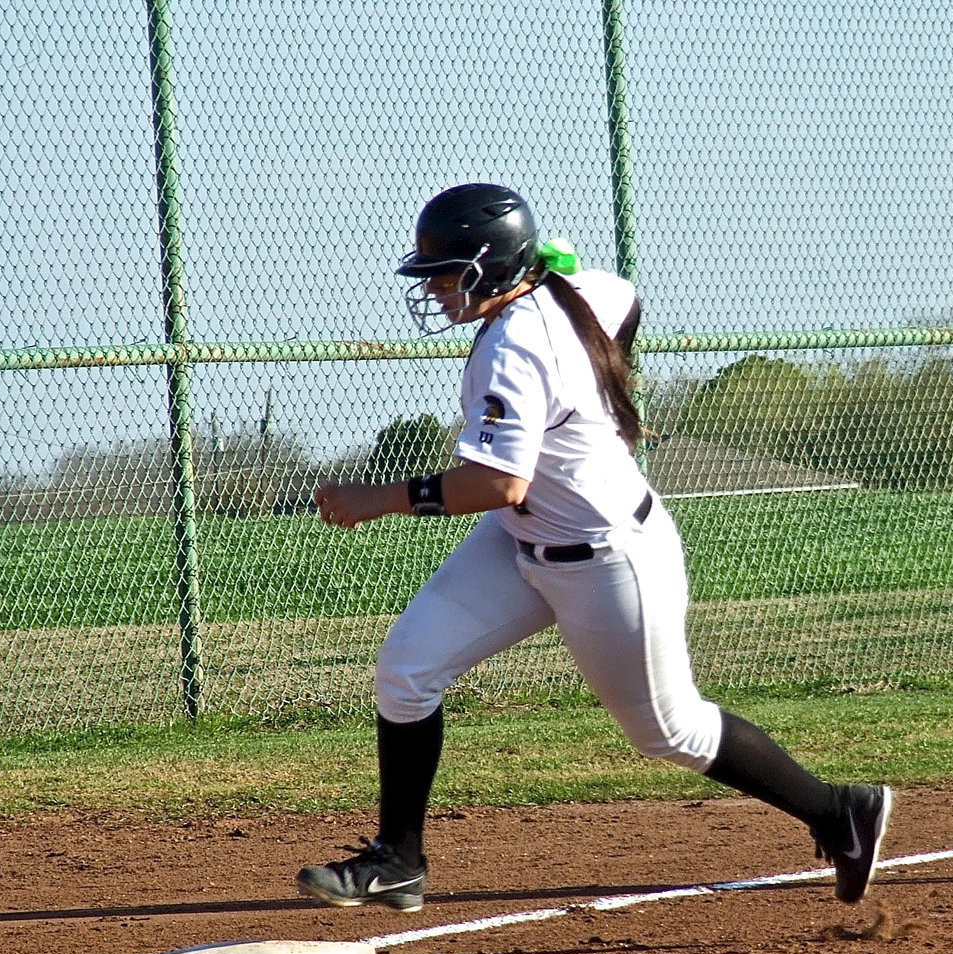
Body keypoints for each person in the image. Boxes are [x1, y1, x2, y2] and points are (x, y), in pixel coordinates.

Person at [297, 182, 892, 914]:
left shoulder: (514, 347)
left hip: (607, 557)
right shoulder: (573, 289)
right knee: (407, 668)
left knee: (670, 731)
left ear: (498, 267)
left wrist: (376, 499)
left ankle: (839, 812)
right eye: (433, 275)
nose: (439, 289)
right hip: (525, 542)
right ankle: (398, 861)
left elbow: (499, 483)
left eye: (452, 273)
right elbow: (623, 296)